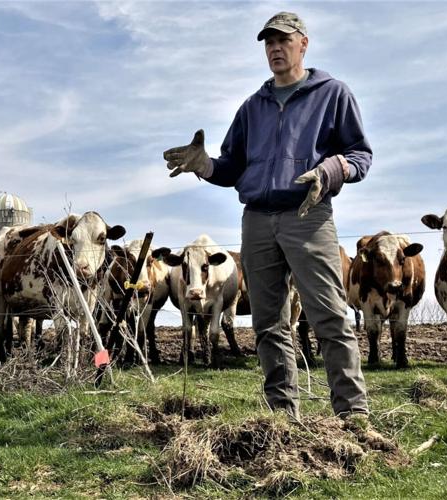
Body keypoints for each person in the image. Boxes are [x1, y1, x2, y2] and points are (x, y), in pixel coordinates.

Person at [163, 12, 370, 421]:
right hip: (257, 219)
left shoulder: (332, 94)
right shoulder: (251, 107)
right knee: (268, 323)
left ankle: (353, 415)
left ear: (303, 44)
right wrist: (204, 165)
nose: (275, 48)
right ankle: (281, 415)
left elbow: (360, 156)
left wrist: (328, 172)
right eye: (268, 42)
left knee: (328, 313)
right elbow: (232, 168)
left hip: (308, 215)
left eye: (284, 40)